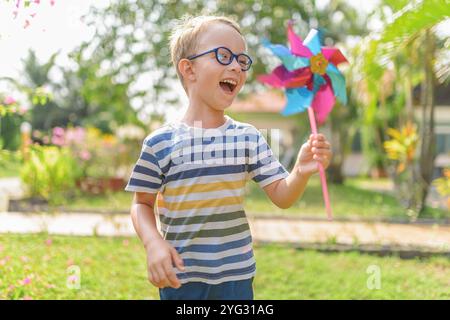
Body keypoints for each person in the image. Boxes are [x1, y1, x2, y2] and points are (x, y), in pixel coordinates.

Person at [125, 15, 332, 300]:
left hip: (237, 278)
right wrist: (153, 243)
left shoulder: (248, 137)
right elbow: (141, 204)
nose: (236, 65)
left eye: (242, 60)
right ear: (189, 69)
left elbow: (282, 196)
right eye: (223, 56)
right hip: (182, 278)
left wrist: (301, 170)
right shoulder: (160, 143)